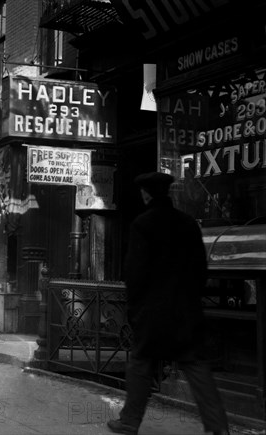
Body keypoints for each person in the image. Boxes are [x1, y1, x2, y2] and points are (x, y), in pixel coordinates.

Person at [107, 172, 229, 435]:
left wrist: (135, 309)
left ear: (146, 194)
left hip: (153, 313)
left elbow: (135, 274)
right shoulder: (188, 223)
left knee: (140, 365)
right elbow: (200, 269)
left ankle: (129, 421)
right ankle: (219, 428)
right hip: (186, 310)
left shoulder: (142, 224)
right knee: (196, 368)